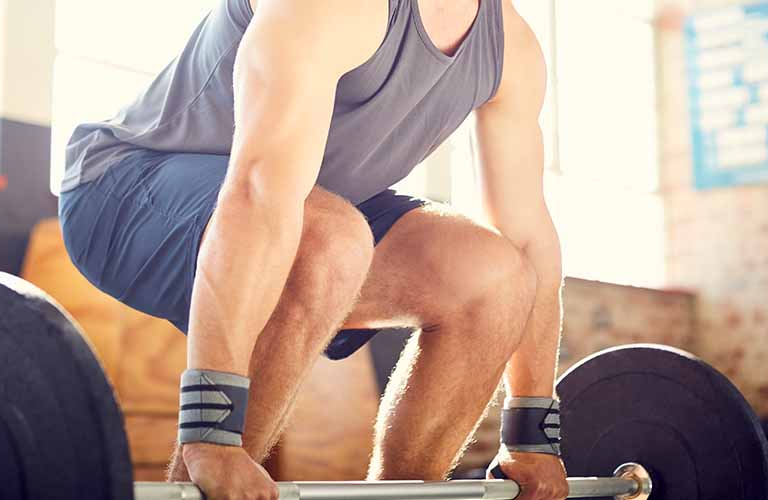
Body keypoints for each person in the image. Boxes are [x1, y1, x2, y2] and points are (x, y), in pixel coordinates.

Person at [58, 0, 568, 499]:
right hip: (120, 189)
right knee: (327, 239)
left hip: (310, 205)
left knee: (497, 277)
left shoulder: (511, 45)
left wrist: (533, 435)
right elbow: (260, 192)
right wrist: (211, 436)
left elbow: (529, 237)